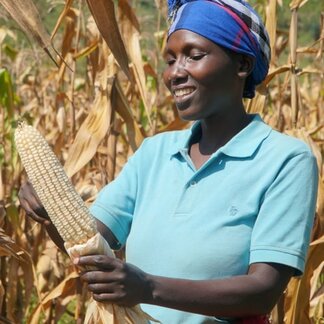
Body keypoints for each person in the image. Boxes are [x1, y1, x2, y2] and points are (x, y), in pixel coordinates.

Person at [19, 0, 318, 323]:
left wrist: (147, 288)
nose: (174, 73)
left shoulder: (285, 159)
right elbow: (93, 246)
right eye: (170, 59)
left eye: (194, 55)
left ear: (242, 65)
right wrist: (51, 212)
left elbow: (264, 290)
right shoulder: (154, 153)